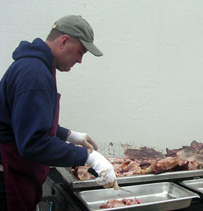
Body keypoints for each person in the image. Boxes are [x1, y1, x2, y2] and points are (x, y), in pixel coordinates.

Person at [0, 15, 116, 211]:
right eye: (80, 52)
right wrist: (88, 157)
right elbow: (33, 143)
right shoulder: (34, 73)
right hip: (10, 181)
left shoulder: (39, 66)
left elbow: (26, 119)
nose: (79, 60)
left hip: (21, 176)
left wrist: (68, 135)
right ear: (63, 41)